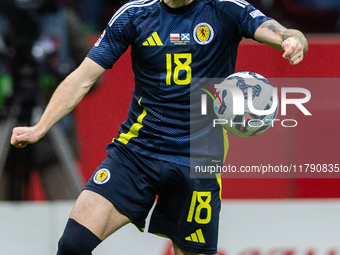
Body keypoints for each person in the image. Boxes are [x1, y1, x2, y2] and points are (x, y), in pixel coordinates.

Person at [11, 0, 308, 254]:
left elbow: (282, 31)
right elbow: (83, 77)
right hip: (136, 153)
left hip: (197, 161)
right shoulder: (134, 14)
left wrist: (291, 40)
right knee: (73, 245)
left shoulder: (224, 8)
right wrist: (40, 127)